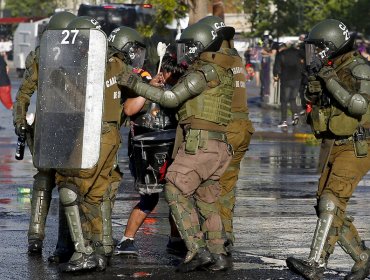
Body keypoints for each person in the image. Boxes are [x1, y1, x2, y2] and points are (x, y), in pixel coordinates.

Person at [118, 22, 234, 272]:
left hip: (200, 143)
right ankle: (218, 253)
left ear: (198, 47)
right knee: (206, 199)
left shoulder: (201, 73)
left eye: (187, 48)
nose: (184, 53)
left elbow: (171, 98)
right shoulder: (219, 70)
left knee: (173, 188)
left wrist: (137, 84)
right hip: (217, 145)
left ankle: (196, 249)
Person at [286, 19, 370, 280]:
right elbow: (319, 104)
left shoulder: (359, 69)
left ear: (331, 45)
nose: (315, 54)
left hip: (356, 144)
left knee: (330, 201)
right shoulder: (331, 68)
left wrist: (329, 79)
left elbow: (357, 106)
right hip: (333, 143)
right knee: (326, 206)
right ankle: (363, 259)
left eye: (319, 48)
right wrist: (313, 87)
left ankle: (315, 263)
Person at [54, 19, 133, 272]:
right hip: (105, 135)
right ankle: (99, 250)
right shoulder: (107, 64)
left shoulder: (98, 65)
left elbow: (84, 105)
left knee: (69, 187)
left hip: (95, 133)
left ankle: (83, 251)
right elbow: (85, 101)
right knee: (94, 195)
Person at [12, 11, 76, 262]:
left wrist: (19, 120)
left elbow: (23, 94)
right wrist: (20, 120)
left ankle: (38, 239)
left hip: (55, 124)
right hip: (66, 125)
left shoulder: (40, 54)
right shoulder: (81, 53)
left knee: (46, 180)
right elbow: (24, 94)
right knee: (65, 182)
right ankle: (58, 244)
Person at [114, 49, 187, 257]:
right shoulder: (143, 82)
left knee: (177, 195)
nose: (167, 77)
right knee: (149, 198)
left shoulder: (180, 85)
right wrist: (148, 88)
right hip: (146, 147)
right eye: (166, 72)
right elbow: (129, 110)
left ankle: (175, 239)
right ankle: (127, 240)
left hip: (173, 144)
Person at [197, 15, 255, 255]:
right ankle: (226, 234)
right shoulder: (236, 58)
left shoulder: (215, 59)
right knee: (227, 185)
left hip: (226, 128)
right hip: (243, 128)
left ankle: (214, 240)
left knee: (208, 185)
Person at [273, 41, 304, 128]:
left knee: (284, 100)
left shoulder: (281, 54)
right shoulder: (297, 52)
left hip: (286, 79)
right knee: (292, 98)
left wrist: (275, 77)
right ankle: (295, 114)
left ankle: (284, 121)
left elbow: (277, 67)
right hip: (297, 78)